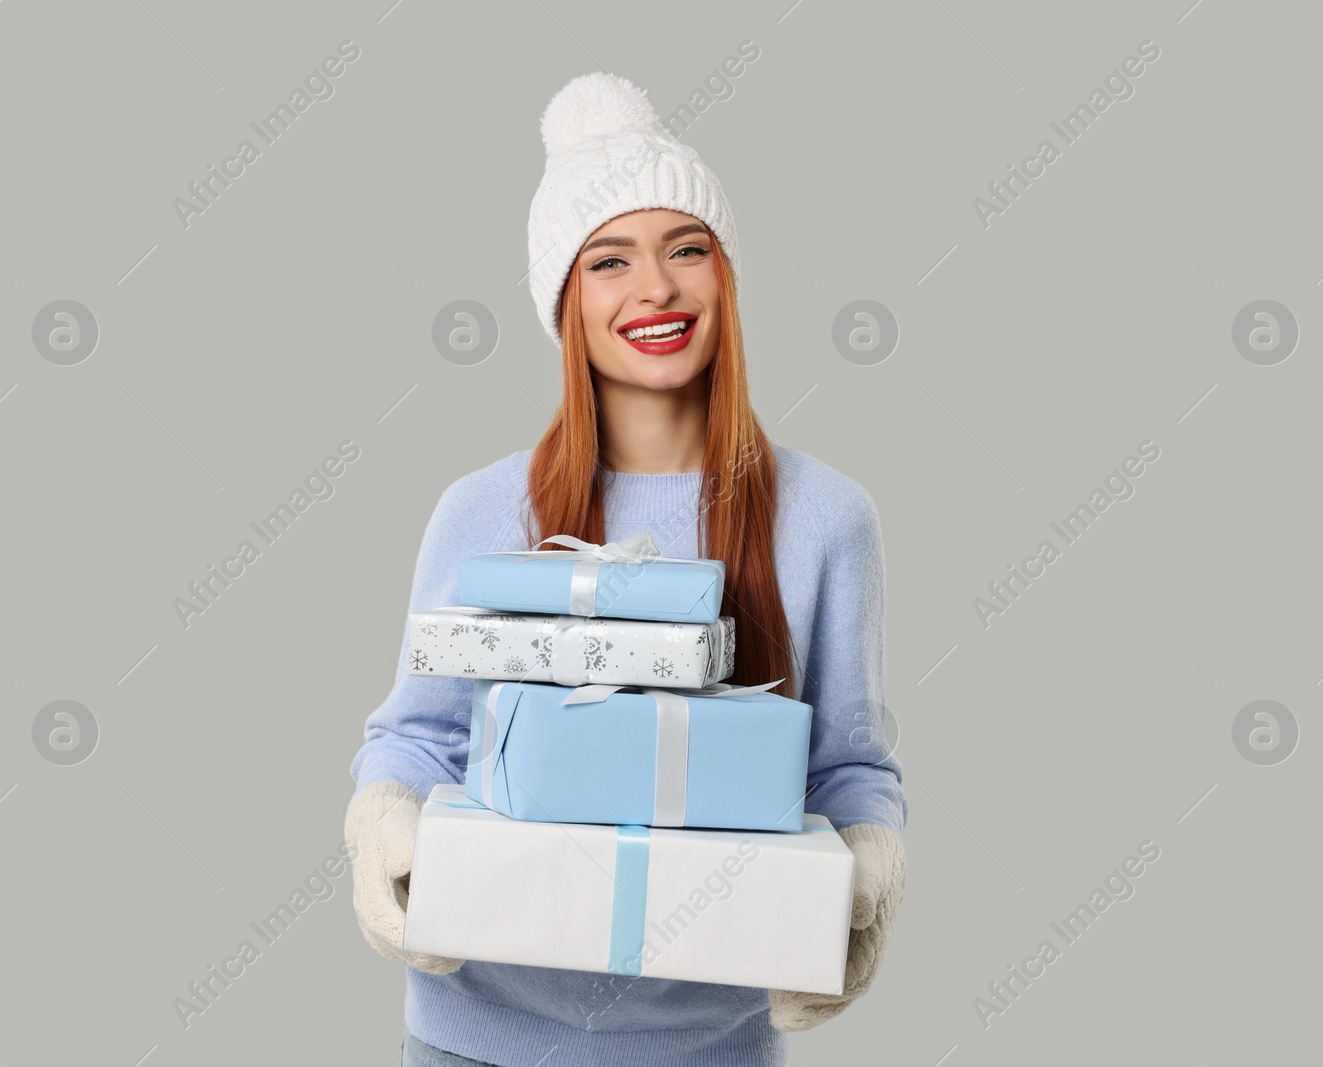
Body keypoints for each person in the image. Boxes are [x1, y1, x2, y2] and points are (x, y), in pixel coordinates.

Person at [344, 71, 908, 1067]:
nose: (656, 288)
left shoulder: (826, 518)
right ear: (565, 300)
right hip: (475, 1037)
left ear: (726, 275)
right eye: (610, 260)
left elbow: (847, 760)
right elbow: (418, 734)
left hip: (711, 1044)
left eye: (686, 248)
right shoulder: (483, 509)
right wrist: (384, 825)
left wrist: (865, 867)